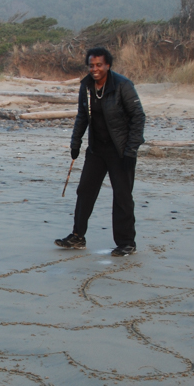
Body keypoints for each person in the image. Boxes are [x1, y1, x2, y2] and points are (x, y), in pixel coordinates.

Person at [55, 47, 145, 256]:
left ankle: (126, 243)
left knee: (122, 196)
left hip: (121, 151)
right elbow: (82, 117)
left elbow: (138, 117)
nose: (94, 69)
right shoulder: (86, 86)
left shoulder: (123, 85)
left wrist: (131, 150)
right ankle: (77, 236)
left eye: (99, 65)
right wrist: (75, 143)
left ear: (108, 66)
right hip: (96, 150)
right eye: (91, 65)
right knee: (85, 191)